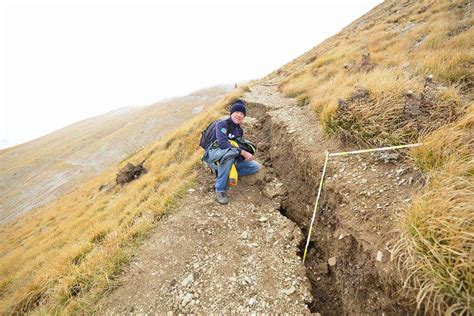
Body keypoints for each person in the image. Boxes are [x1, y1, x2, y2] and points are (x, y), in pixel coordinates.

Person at [202, 99, 261, 204]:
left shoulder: (239, 130)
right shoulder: (221, 124)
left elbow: (236, 145)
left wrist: (244, 155)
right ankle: (220, 189)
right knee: (230, 153)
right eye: (237, 112)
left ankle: (223, 172)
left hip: (229, 157)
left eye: (242, 113)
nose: (239, 115)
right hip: (214, 154)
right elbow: (223, 144)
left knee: (255, 166)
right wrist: (243, 152)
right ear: (231, 113)